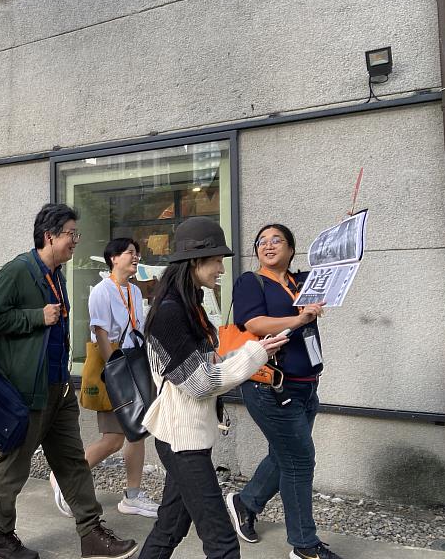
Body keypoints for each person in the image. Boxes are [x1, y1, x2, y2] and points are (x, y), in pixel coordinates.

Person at [0, 203, 138, 559]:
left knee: (72, 463)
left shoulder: (58, 275)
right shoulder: (18, 271)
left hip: (58, 386)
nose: (75, 241)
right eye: (71, 234)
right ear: (49, 236)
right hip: (26, 389)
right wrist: (36, 316)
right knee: (13, 466)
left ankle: (91, 533)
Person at [138, 216, 287, 559]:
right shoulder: (171, 313)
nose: (222, 267)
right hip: (182, 440)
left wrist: (257, 350)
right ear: (194, 261)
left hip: (187, 435)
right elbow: (200, 384)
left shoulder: (190, 305)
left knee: (170, 528)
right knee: (222, 543)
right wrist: (254, 354)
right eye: (217, 259)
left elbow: (209, 365)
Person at [224, 224, 341, 559]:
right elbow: (255, 324)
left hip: (307, 385)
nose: (268, 245)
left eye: (277, 240)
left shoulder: (301, 282)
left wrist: (343, 236)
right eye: (262, 241)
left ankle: (244, 503)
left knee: (285, 455)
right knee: (300, 460)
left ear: (291, 249)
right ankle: (304, 546)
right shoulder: (251, 282)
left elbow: (336, 270)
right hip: (270, 386)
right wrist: (299, 319)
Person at [53, 238, 159, 519]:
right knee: (113, 438)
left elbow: (138, 327)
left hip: (135, 366)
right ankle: (63, 477)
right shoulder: (102, 291)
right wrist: (116, 370)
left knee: (137, 431)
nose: (136, 258)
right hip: (116, 369)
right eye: (130, 253)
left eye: (137, 253)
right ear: (113, 258)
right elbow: (100, 333)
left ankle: (133, 496)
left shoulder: (134, 291)